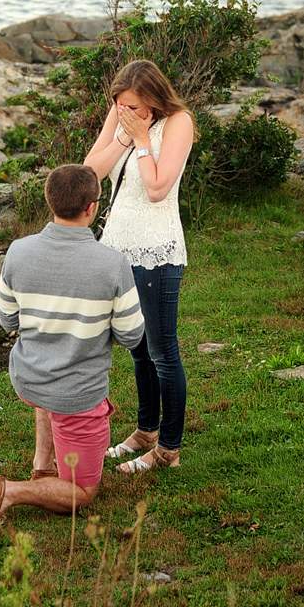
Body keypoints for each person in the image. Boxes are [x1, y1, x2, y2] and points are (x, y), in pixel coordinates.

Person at [0, 163, 145, 547]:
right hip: (76, 395)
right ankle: (9, 492)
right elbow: (132, 336)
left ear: (50, 202)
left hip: (30, 377)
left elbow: (7, 319)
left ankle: (41, 467)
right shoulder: (112, 263)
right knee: (82, 494)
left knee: (49, 386)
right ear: (91, 207)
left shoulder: (19, 251)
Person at [84, 59, 194, 472]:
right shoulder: (122, 117)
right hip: (117, 250)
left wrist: (144, 138)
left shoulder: (178, 122)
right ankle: (146, 429)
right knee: (137, 348)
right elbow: (91, 171)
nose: (126, 112)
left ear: (153, 99)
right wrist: (125, 139)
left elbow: (156, 188)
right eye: (120, 106)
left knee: (163, 351)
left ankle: (168, 449)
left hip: (156, 250)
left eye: (134, 106)